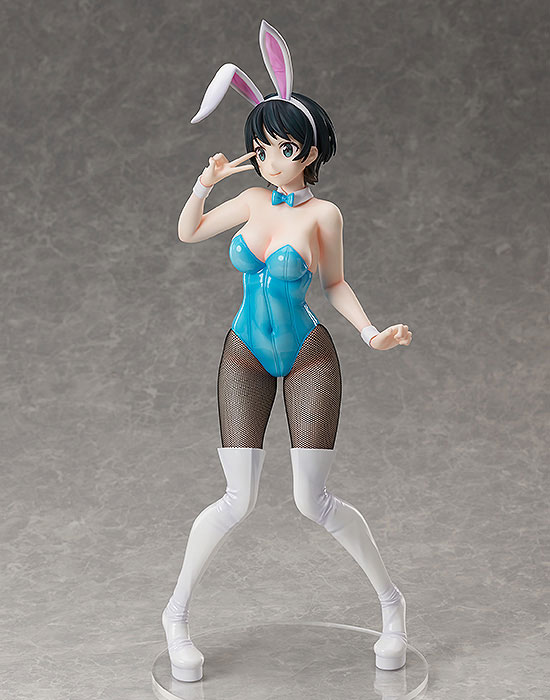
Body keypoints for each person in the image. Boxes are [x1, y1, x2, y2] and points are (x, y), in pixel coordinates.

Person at [162, 20, 413, 683]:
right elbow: (189, 232)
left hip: (307, 355)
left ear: (309, 151)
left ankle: (392, 604)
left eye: (282, 147)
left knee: (312, 500)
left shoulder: (323, 216)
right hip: (244, 353)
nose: (269, 159)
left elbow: (335, 284)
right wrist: (205, 182)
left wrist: (371, 332)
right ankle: (175, 615)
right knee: (236, 498)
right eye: (261, 148)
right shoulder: (249, 200)